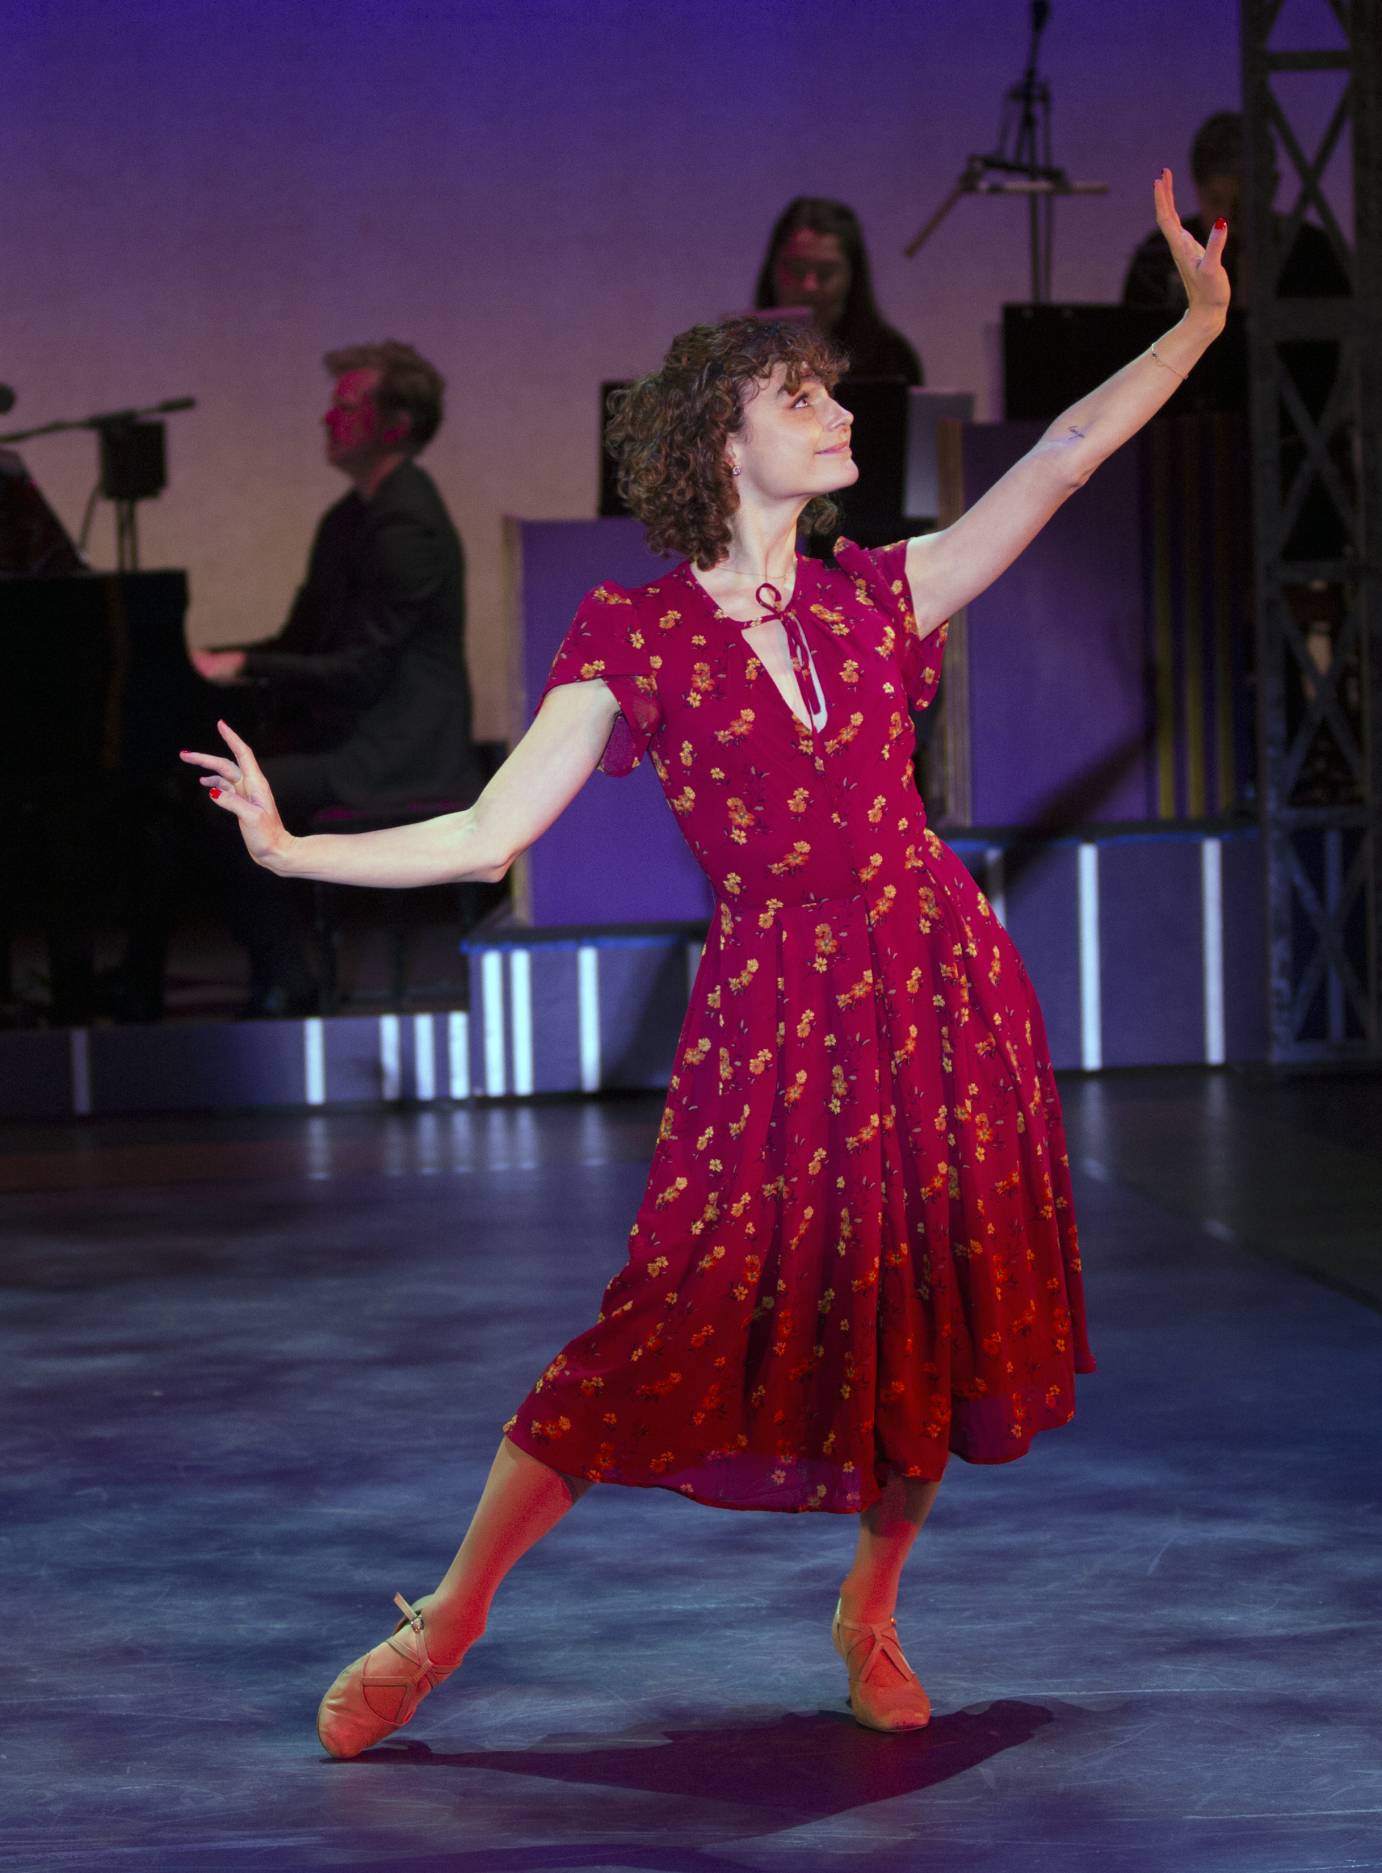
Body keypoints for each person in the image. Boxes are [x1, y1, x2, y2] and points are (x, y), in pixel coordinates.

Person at [183, 170, 1228, 1754]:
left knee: (921, 1319)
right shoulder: (638, 634)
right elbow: (482, 830)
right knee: (668, 1315)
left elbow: (1066, 455)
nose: (832, 410)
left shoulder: (885, 594)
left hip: (938, 992)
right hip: (777, 1022)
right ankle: (449, 1611)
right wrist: (289, 850)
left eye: (827, 389)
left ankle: (869, 1610)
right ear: (720, 444)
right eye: (795, 396)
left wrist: (1199, 321)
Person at [190, 340, 482, 1016]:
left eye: (345, 406)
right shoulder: (348, 518)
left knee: (232, 798)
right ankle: (278, 971)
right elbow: (305, 641)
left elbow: (363, 669)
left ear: (395, 425)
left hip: (398, 753)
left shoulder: (407, 521)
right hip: (361, 736)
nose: (328, 418)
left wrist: (243, 666)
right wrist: (225, 660)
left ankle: (286, 976)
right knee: (219, 791)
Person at [755, 196, 924, 383]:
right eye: (796, 269)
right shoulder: (743, 356)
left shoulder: (892, 359)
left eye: (826, 273)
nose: (809, 286)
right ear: (772, 269)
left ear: (852, 276)